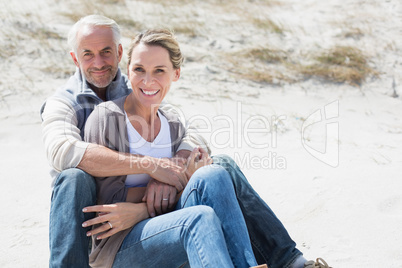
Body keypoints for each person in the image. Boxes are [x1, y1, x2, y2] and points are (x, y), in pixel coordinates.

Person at [40, 14, 330, 268]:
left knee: (217, 169)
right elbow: (62, 151)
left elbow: (194, 135)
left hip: (159, 218)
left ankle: (286, 261)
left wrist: (174, 169)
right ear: (75, 58)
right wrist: (154, 168)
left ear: (119, 54)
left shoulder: (144, 89)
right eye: (87, 54)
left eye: (105, 51)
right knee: (74, 178)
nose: (99, 62)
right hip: (100, 223)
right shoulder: (70, 105)